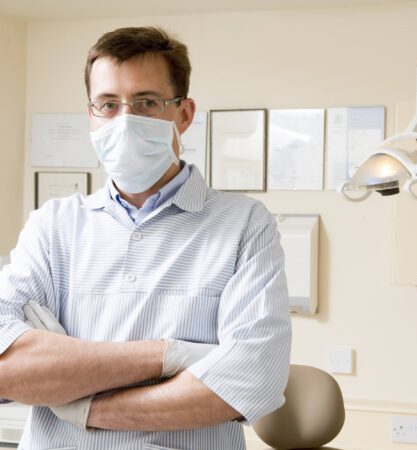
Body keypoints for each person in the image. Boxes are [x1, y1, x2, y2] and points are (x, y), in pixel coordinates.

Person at [0, 26, 291, 450]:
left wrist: (81, 407)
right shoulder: (52, 226)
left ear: (184, 114)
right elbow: (7, 368)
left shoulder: (244, 225)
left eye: (147, 103)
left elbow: (251, 379)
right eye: (108, 104)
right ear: (91, 115)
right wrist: (170, 355)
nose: (125, 120)